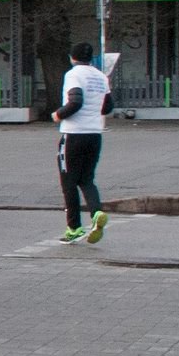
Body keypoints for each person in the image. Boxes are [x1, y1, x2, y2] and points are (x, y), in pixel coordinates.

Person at [52, 41, 114, 244]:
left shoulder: (73, 74)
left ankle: (74, 227)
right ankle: (96, 213)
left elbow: (75, 101)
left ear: (72, 57)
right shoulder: (100, 76)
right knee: (86, 179)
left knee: (68, 181)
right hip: (95, 133)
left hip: (73, 134)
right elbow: (107, 107)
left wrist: (58, 114)